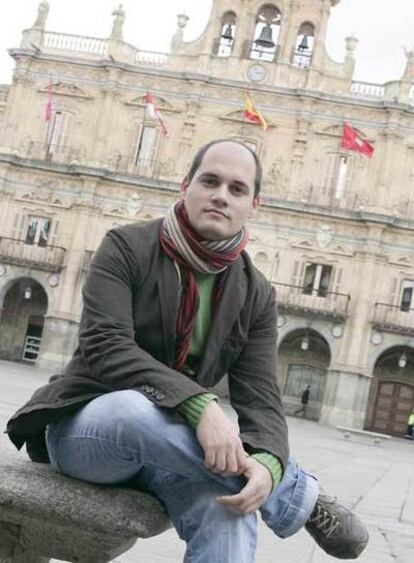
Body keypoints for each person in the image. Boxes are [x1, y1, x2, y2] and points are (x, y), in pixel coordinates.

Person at [6, 140, 368, 562]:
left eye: (237, 188)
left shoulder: (257, 294)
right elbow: (106, 346)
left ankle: (277, 482)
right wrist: (200, 405)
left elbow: (262, 401)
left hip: (175, 455)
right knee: (133, 410)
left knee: (231, 512)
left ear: (254, 204)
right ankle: (298, 495)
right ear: (185, 186)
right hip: (91, 431)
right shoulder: (125, 247)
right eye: (210, 181)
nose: (221, 195)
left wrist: (267, 461)